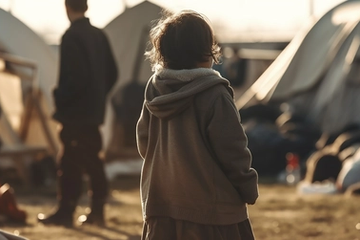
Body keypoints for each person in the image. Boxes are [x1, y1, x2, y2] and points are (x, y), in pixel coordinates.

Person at [136, 10, 259, 240]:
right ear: (206, 50)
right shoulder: (214, 93)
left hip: (162, 205)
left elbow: (145, 143)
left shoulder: (155, 89)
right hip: (211, 214)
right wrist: (247, 185)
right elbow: (232, 150)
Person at [37, 0, 118, 226]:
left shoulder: (72, 36)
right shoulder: (99, 35)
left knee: (70, 162)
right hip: (93, 112)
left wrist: (60, 97)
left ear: (66, 7)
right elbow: (113, 72)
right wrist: (98, 97)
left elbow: (75, 78)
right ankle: (97, 211)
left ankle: (66, 212)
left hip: (75, 113)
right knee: (92, 159)